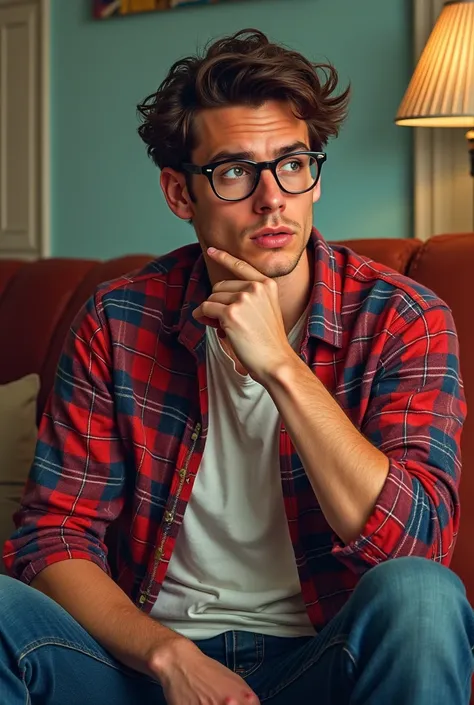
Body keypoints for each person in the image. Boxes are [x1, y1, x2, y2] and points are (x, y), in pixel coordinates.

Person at [1, 28, 473, 705]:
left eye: (293, 163)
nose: (273, 197)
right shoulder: (119, 320)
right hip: (142, 667)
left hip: (319, 661)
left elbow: (414, 542)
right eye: (234, 171)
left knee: (424, 597)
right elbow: (52, 534)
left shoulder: (404, 317)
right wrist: (168, 656)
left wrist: (280, 363)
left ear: (314, 177)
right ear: (179, 193)